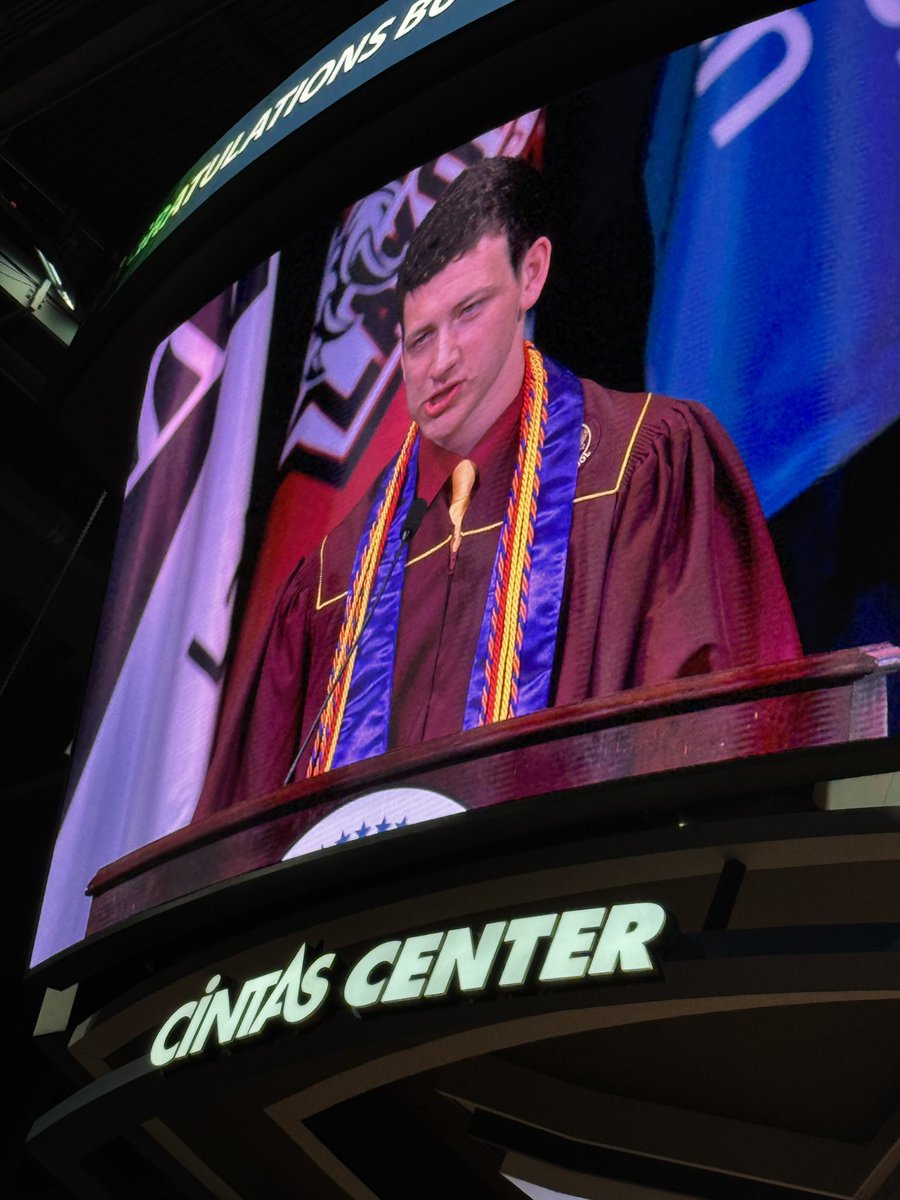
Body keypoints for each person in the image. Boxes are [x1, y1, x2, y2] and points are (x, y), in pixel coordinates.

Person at [193, 157, 800, 817]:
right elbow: (245, 828)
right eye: (420, 338)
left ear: (531, 275)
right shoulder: (331, 580)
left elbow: (724, 745)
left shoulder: (644, 460)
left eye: (469, 311)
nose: (441, 360)